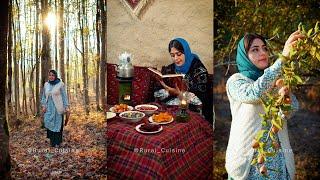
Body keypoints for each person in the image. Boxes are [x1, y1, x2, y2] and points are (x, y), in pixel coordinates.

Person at [225, 31, 304, 180]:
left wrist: (285, 97)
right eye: (255, 49)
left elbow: (292, 109)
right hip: (250, 162)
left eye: (264, 48)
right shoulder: (236, 81)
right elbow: (255, 92)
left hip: (277, 157)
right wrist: (283, 58)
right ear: (244, 56)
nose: (262, 53)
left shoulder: (275, 79)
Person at [153, 37, 213, 123]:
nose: (175, 58)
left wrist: (179, 94)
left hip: (191, 111)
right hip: (169, 108)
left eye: (179, 54)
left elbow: (201, 101)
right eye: (172, 55)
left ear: (186, 52)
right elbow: (156, 93)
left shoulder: (199, 71)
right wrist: (166, 89)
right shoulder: (169, 69)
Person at [41, 70, 69, 147]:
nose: (51, 77)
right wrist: (43, 105)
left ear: (55, 76)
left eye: (53, 75)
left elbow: (64, 96)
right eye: (50, 75)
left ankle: (58, 142)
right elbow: (43, 96)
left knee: (57, 124)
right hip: (49, 107)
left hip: (58, 107)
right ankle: (52, 141)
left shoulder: (60, 84)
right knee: (49, 123)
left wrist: (66, 106)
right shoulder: (46, 85)